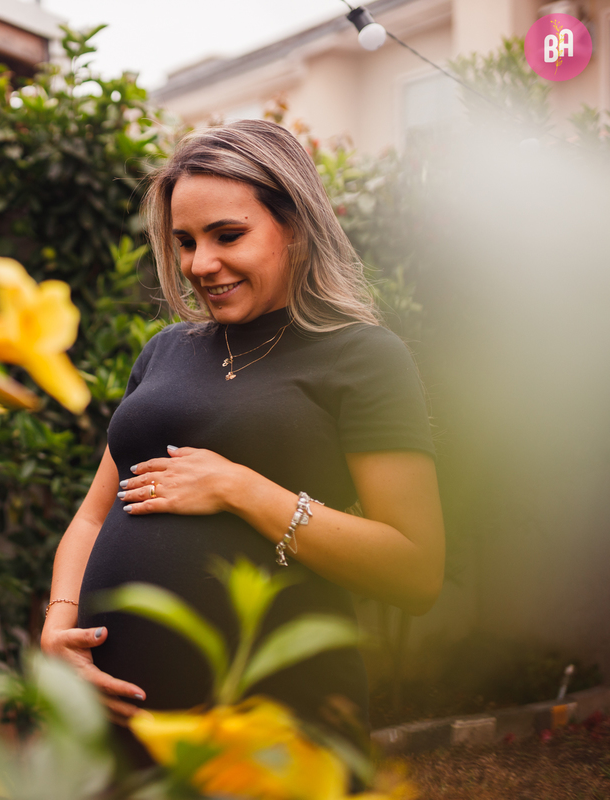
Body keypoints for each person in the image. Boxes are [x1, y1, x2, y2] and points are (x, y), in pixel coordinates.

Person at [39, 120, 445, 756]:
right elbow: (94, 516)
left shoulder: (363, 358)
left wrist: (240, 489)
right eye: (185, 241)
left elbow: (415, 569)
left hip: (267, 719)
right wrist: (59, 626)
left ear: (296, 228)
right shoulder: (164, 351)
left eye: (228, 236)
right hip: (114, 717)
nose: (201, 265)